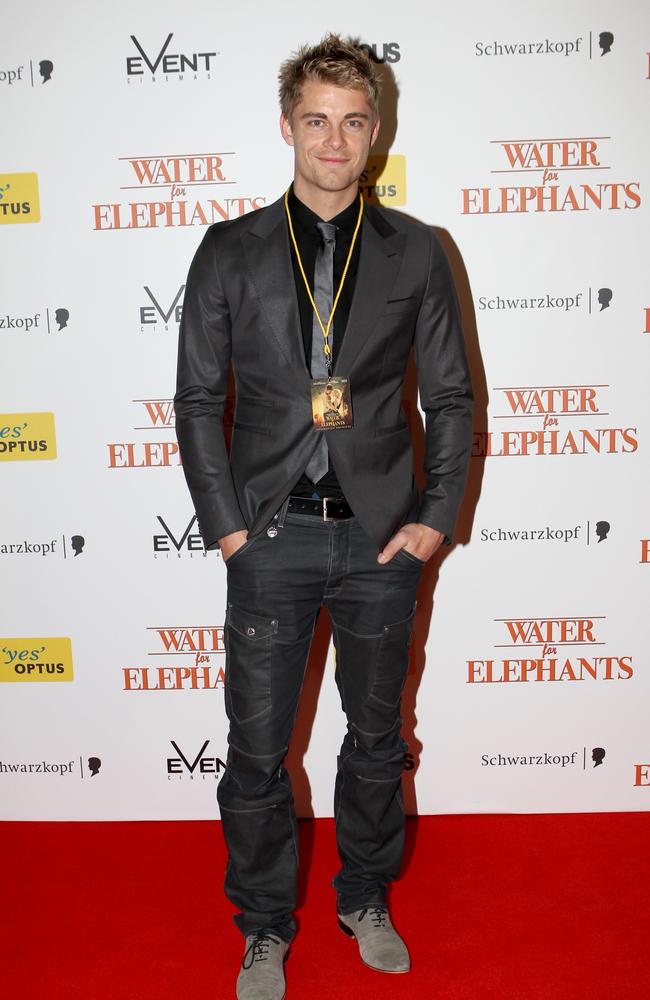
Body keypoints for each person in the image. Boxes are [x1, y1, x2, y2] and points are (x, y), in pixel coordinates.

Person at [175, 33, 473, 1000]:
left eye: (353, 121)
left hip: (382, 537)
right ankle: (264, 926)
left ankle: (365, 896)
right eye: (317, 121)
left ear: (374, 130)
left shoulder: (418, 251)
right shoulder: (230, 251)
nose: (335, 140)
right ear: (288, 128)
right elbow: (195, 402)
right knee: (259, 750)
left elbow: (454, 401)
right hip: (269, 534)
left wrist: (434, 518)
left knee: (377, 738)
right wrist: (225, 525)